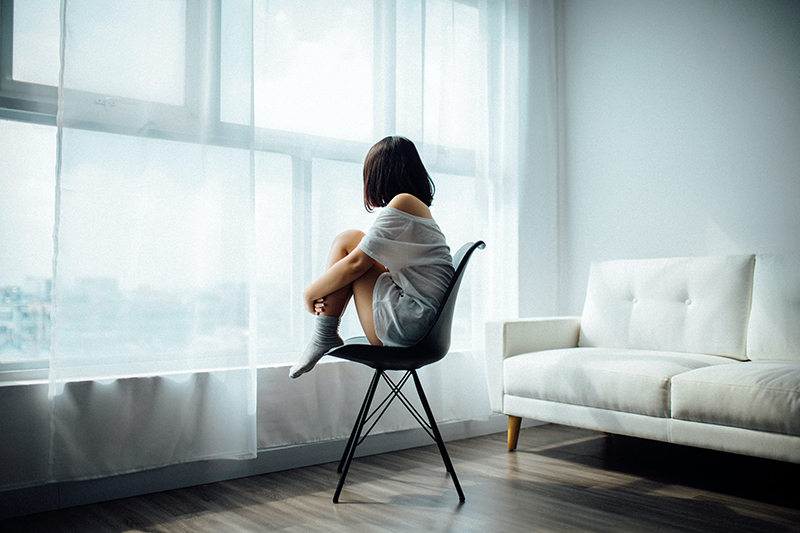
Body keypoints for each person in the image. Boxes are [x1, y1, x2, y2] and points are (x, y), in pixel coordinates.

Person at [289, 136, 454, 378]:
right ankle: (324, 334)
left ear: (380, 174)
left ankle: (323, 334)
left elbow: (357, 264)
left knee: (348, 242)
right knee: (353, 240)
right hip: (421, 325)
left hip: (410, 327)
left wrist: (309, 293)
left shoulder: (404, 202)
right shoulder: (415, 208)